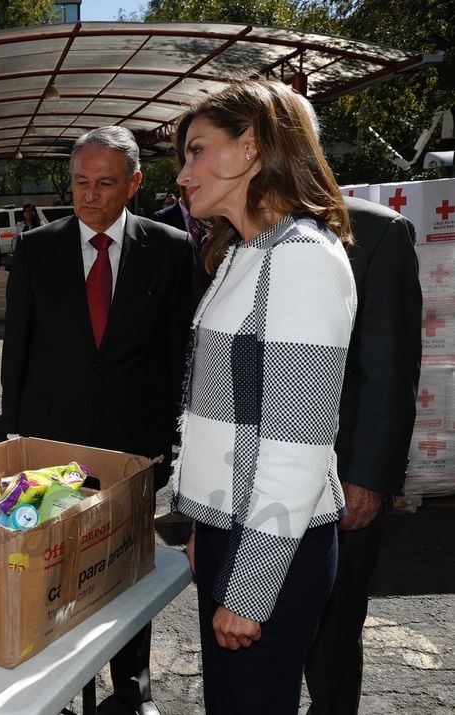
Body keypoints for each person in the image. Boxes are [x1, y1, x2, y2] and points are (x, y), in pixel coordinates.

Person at [170, 79, 357, 715]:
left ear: (249, 147)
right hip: (235, 529)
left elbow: (298, 439)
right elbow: (216, 411)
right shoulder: (241, 253)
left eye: (196, 150)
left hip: (276, 546)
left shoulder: (302, 257)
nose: (184, 173)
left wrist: (250, 589)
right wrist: (205, 520)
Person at [2, 126, 195, 715]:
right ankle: (58, 687)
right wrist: (16, 434)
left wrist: (171, 437)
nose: (89, 195)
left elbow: (178, 353)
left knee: (126, 570)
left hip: (131, 444)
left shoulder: (170, 249)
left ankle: (131, 691)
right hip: (51, 445)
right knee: (51, 569)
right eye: (80, 182)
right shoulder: (37, 249)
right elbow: (19, 347)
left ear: (134, 184)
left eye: (105, 183)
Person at [302, 214, 421, 713]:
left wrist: (367, 481)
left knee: (331, 637)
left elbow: (390, 369)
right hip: (251, 485)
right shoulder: (229, 237)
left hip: (341, 481)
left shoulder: (377, 234)